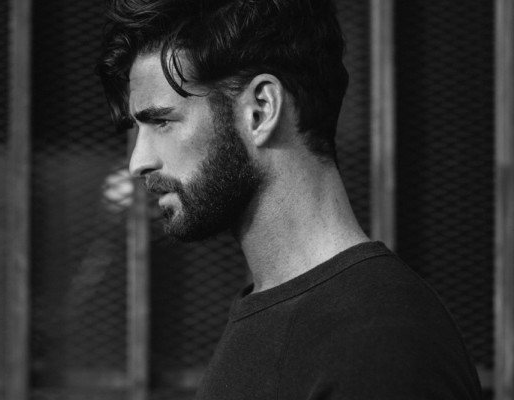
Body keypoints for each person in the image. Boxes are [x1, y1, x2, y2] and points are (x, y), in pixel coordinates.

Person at [97, 0, 483, 398]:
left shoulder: (380, 344)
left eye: (161, 121)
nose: (138, 162)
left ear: (261, 110)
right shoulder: (278, 312)